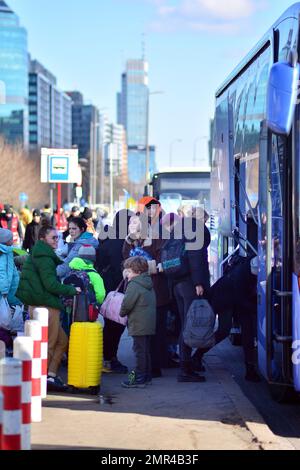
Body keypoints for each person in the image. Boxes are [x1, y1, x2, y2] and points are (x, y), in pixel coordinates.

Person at [16, 226, 79, 391]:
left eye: (58, 237)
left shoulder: (39, 253)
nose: (57, 241)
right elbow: (50, 284)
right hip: (46, 306)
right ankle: (42, 378)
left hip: (39, 304)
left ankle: (50, 374)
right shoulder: (45, 257)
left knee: (62, 341)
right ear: (43, 239)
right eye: (53, 238)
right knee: (49, 344)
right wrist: (72, 290)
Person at [123, 212, 171, 378]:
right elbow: (124, 261)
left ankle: (154, 367)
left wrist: (138, 268)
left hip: (156, 294)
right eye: (130, 223)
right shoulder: (130, 241)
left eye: (135, 223)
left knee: (156, 333)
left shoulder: (157, 239)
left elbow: (162, 263)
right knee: (141, 337)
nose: (132, 226)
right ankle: (145, 369)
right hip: (138, 296)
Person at [164, 214, 210, 382]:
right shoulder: (195, 231)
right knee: (189, 326)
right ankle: (185, 369)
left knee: (185, 323)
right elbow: (196, 257)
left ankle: (186, 365)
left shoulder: (178, 230)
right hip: (189, 285)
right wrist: (199, 282)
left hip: (176, 283)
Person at [96, 209, 134, 374]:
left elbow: (99, 262)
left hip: (107, 289)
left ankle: (107, 357)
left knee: (111, 325)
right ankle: (109, 359)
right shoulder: (123, 242)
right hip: (119, 289)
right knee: (116, 326)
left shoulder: (108, 240)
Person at [120, 256, 156, 388]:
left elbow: (127, 303)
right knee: (145, 351)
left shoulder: (134, 285)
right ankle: (146, 376)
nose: (127, 274)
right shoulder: (147, 282)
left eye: (129, 271)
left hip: (138, 323)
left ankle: (136, 378)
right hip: (147, 323)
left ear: (137, 272)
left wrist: (121, 313)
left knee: (138, 352)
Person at [0, 228, 21, 307]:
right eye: (11, 239)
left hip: (11, 290)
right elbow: (2, 272)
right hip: (5, 293)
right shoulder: (2, 253)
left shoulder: (7, 251)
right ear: (5, 241)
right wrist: (4, 291)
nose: (13, 241)